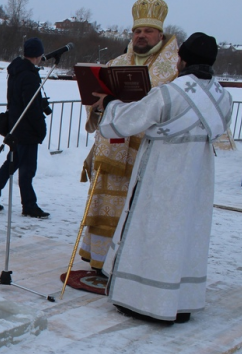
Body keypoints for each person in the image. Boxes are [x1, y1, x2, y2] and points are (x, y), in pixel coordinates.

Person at [92, 32, 231, 323]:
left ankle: (144, 301)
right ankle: (180, 303)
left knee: (153, 234)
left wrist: (111, 104)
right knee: (186, 236)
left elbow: (128, 121)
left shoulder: (170, 92)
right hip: (197, 181)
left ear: (182, 59)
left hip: (162, 177)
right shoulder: (223, 97)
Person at [78, 0, 178, 272]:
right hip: (112, 149)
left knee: (137, 209)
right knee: (104, 205)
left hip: (145, 152)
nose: (141, 36)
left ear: (160, 34)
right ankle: (99, 261)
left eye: (148, 31)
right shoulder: (117, 62)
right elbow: (96, 101)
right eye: (137, 31)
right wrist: (97, 104)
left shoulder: (173, 69)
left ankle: (130, 265)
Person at [0, 37, 50, 219]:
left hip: (15, 124)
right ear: (38, 54)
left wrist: (39, 102)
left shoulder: (16, 71)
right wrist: (40, 128)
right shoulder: (29, 75)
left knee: (12, 163)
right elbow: (30, 106)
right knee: (27, 169)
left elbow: (19, 100)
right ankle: (29, 205)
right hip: (26, 129)